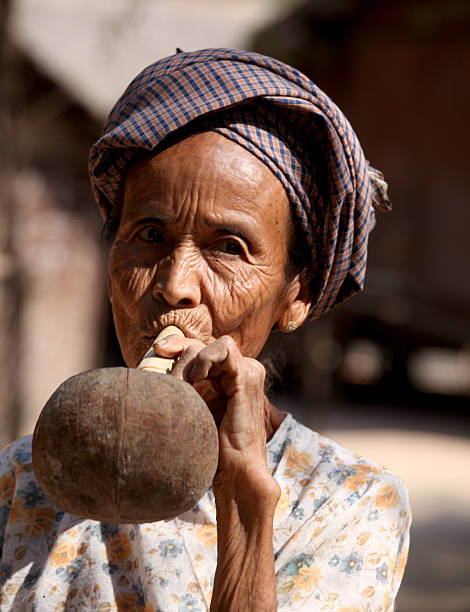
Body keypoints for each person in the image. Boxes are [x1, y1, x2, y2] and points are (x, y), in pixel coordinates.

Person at [0, 48, 410, 611]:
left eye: (228, 248)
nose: (176, 285)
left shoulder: (347, 502)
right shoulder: (23, 479)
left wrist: (245, 500)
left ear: (297, 296)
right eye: (148, 235)